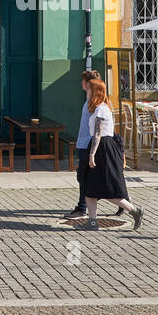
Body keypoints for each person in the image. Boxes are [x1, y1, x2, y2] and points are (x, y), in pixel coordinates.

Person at [82, 78, 144, 231]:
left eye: (89, 89)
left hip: (103, 149)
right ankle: (92, 221)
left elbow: (98, 134)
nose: (87, 92)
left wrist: (91, 155)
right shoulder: (98, 108)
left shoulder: (101, 109)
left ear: (95, 91)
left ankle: (134, 210)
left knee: (108, 189)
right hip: (100, 147)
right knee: (89, 188)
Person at [63, 70, 104, 221]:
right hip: (84, 143)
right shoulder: (89, 100)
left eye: (83, 81)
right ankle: (122, 200)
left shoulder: (95, 102)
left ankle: (82, 208)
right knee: (86, 178)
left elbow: (99, 128)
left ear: (88, 84)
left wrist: (92, 150)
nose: (81, 83)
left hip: (88, 145)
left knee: (85, 178)